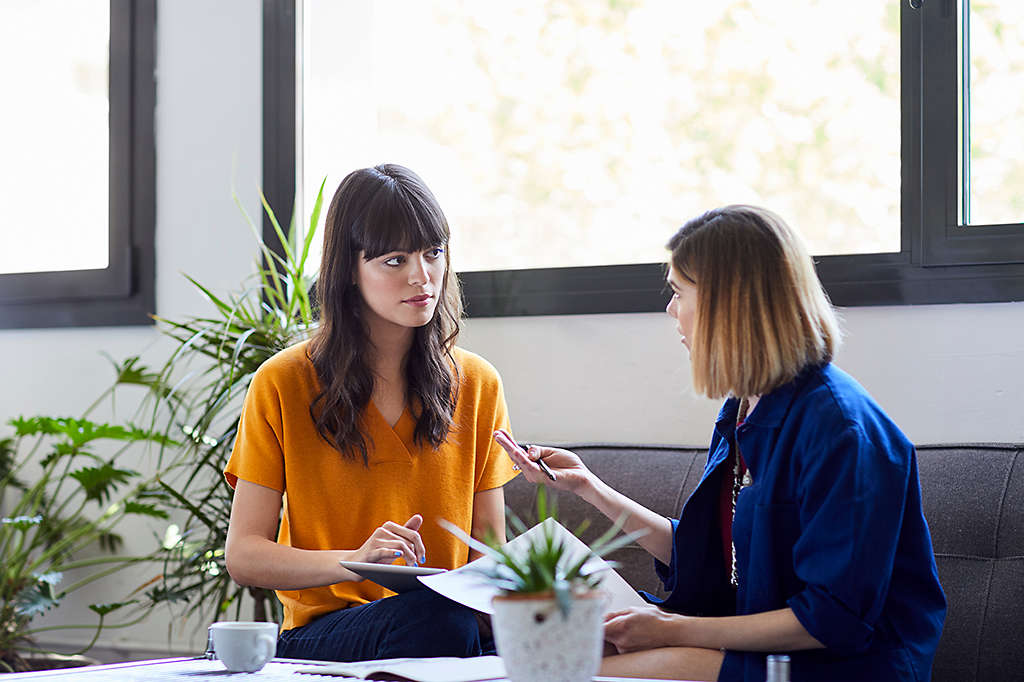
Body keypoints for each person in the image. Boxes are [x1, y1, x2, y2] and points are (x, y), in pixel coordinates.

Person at [495, 205, 946, 682]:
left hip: (845, 665)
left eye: (678, 292)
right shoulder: (744, 409)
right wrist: (588, 486)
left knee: (594, 672)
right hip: (769, 649)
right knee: (561, 652)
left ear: (728, 303)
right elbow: (706, 557)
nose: (671, 310)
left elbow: (831, 619)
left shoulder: (841, 430)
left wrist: (675, 630)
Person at [223, 164, 518, 662]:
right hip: (327, 632)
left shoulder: (478, 384)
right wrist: (354, 563)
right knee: (437, 617)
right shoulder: (284, 382)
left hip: (450, 621)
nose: (421, 276)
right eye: (395, 259)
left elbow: (487, 553)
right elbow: (245, 555)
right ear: (349, 269)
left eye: (433, 253)